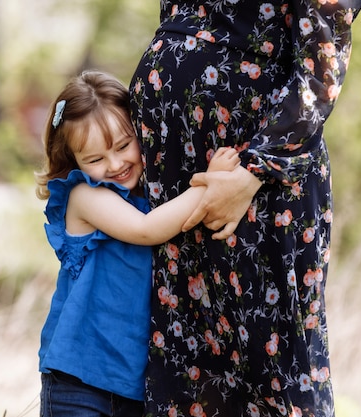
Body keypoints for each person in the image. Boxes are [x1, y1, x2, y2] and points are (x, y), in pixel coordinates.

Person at [129, 1, 361, 417]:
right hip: (173, 165)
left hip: (258, 173)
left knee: (271, 368)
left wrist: (254, 171)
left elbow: (323, 59)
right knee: (185, 372)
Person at [34, 70, 239, 417]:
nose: (115, 164)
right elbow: (146, 230)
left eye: (123, 145)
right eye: (95, 159)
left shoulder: (154, 197)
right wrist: (212, 184)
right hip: (77, 382)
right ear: (74, 161)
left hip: (134, 387)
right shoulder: (84, 196)